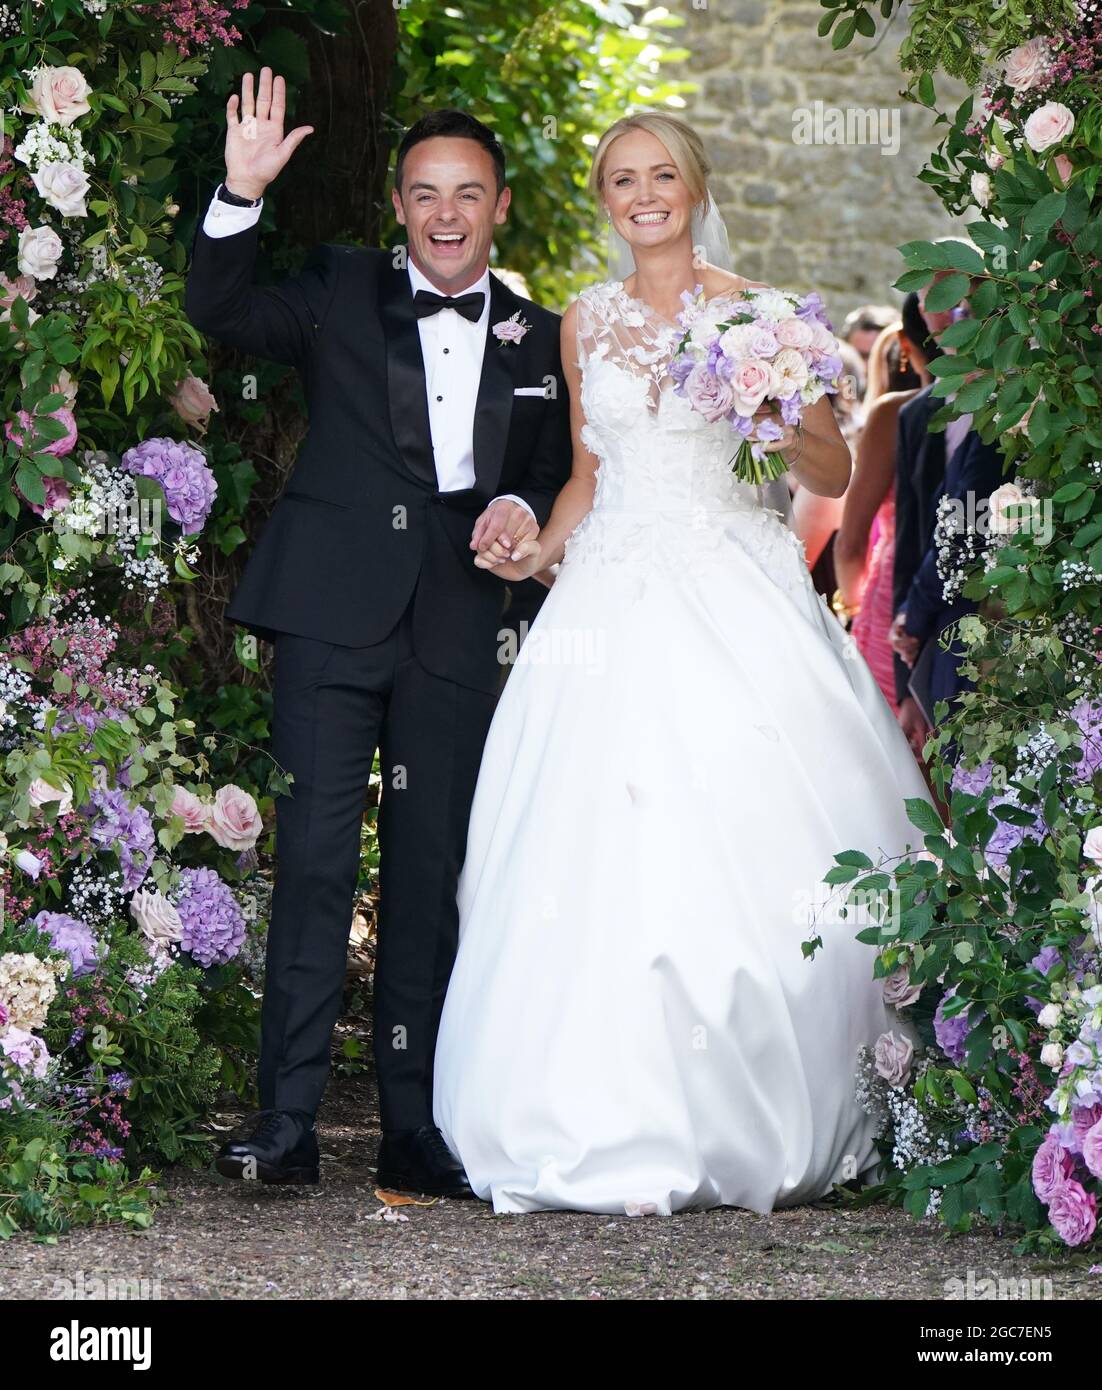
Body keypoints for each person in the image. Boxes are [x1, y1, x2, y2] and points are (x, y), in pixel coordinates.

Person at [432, 112, 937, 1216]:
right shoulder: (584, 321)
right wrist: (533, 544)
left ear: (695, 185)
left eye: (661, 175)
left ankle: (763, 1102)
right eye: (622, 178)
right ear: (605, 198)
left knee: (750, 823)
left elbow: (831, 461)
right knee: (589, 843)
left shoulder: (762, 311)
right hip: (611, 586)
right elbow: (587, 475)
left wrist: (766, 400)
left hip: (730, 577)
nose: (642, 194)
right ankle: (601, 1106)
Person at [184, 70, 571, 1193]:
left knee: (428, 875)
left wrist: (522, 511)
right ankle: (288, 1121)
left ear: (500, 205)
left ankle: (414, 1125)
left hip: (457, 628)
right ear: (398, 206)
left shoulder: (547, 341)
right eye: (423, 193)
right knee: (309, 866)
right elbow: (218, 310)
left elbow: (556, 478)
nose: (445, 213)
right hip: (327, 620)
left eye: (467, 192)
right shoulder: (337, 289)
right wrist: (239, 192)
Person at [833, 294, 937, 714]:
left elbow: (851, 541)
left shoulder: (893, 413)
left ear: (906, 348)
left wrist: (854, 609)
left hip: (894, 592)